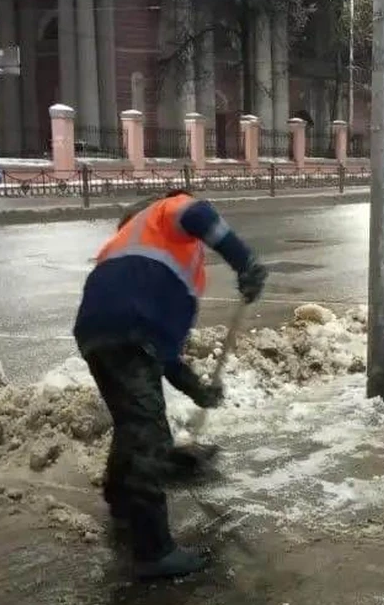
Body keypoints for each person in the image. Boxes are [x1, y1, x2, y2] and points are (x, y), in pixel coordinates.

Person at [74, 190, 267, 580]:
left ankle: (123, 503)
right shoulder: (168, 210)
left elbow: (165, 357)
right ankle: (153, 551)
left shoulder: (139, 260)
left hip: (100, 335)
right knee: (149, 435)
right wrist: (244, 261)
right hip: (127, 332)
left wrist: (199, 390)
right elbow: (198, 211)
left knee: (132, 424)